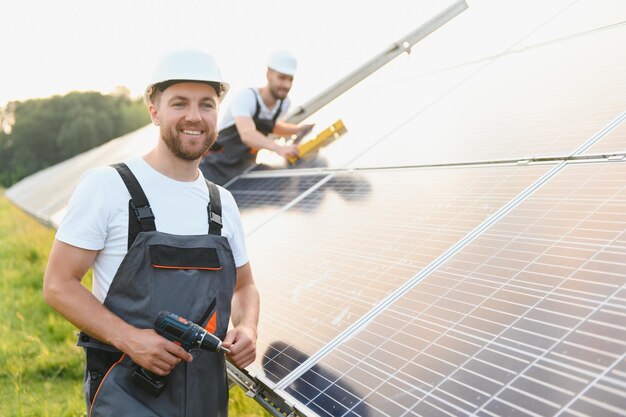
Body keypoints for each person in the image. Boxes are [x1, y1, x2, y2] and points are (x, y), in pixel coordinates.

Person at [43, 50, 259, 417]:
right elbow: (59, 284)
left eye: (206, 104)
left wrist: (248, 328)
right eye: (179, 103)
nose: (194, 116)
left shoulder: (222, 204)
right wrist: (130, 339)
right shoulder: (109, 187)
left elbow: (244, 286)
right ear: (154, 109)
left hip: (206, 397)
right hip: (128, 393)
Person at [200, 50, 314, 185]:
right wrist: (279, 148)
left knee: (283, 184)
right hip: (216, 167)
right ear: (269, 74)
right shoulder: (247, 98)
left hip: (245, 168)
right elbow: (247, 134)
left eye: (290, 79)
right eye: (282, 78)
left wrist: (297, 129)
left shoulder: (283, 104)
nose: (287, 85)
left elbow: (270, 125)